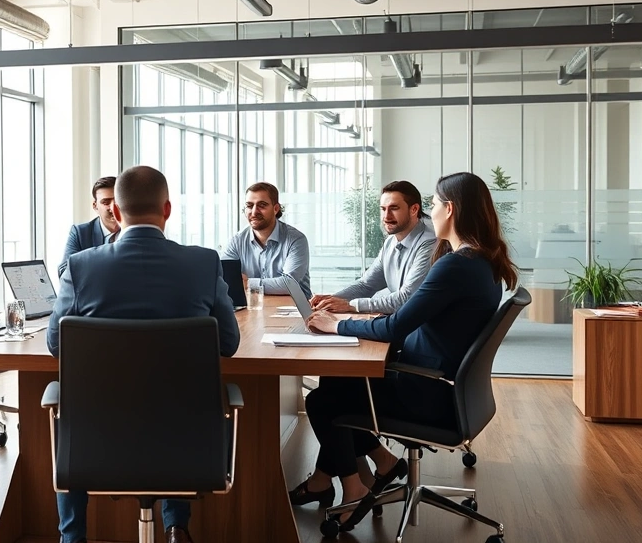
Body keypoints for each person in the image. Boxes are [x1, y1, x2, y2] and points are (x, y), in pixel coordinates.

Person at [292, 172, 518, 532]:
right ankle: (380, 463)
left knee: (323, 402)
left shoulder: (456, 265)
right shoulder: (480, 261)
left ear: (450, 209)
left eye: (432, 204)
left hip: (426, 392)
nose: (430, 212)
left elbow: (395, 325)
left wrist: (335, 324)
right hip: (443, 386)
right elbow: (397, 314)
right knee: (337, 380)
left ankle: (354, 487)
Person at [48, 165, 240, 543]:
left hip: (96, 441)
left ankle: (73, 538)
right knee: (175, 401)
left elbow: (57, 344)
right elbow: (229, 343)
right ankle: (175, 527)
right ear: (167, 210)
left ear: (116, 214)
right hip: (186, 442)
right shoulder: (203, 263)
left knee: (68, 408)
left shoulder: (80, 267)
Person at [310, 181, 436, 314]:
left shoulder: (430, 243)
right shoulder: (390, 242)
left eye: (394, 208)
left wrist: (352, 305)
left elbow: (407, 299)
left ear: (414, 209)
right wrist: (331, 299)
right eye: (383, 209)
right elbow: (366, 285)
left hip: (420, 329)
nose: (386, 216)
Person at [221, 182, 312, 298]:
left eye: (262, 205)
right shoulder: (237, 241)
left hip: (294, 310)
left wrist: (248, 283)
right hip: (253, 308)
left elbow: (290, 284)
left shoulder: (296, 240)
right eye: (249, 206)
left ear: (276, 209)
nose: (254, 212)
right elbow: (226, 280)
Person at [57, 176, 119, 278]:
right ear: (95, 206)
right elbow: (65, 271)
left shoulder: (133, 231)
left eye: (117, 201)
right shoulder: (80, 233)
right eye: (106, 203)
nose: (113, 207)